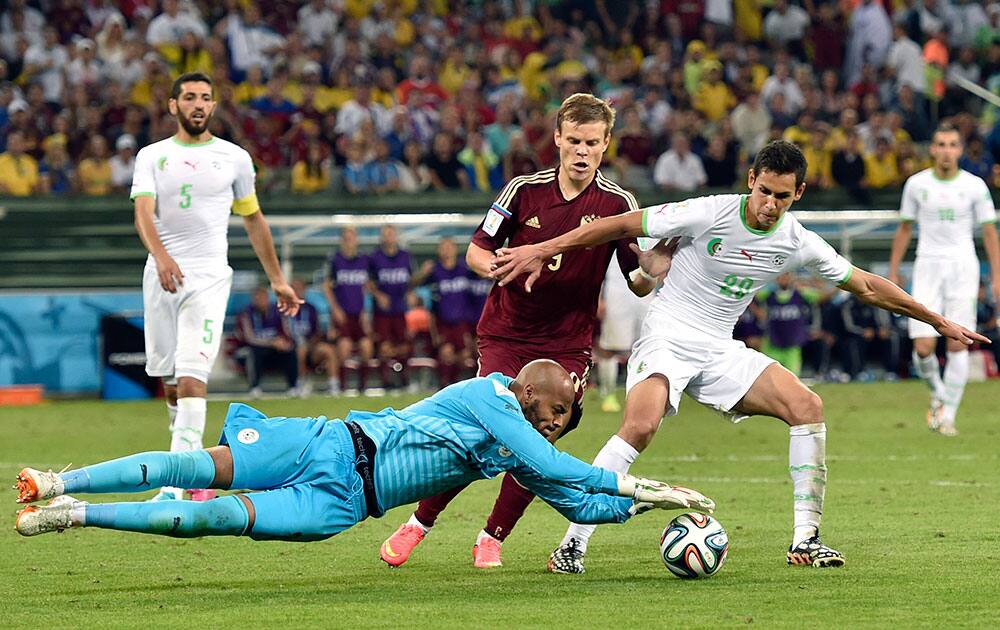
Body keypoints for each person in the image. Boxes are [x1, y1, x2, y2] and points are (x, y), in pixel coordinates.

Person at [491, 140, 988, 573]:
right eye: (764, 191)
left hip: (719, 347)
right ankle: (571, 545)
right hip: (667, 334)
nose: (770, 205)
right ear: (751, 181)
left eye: (782, 196)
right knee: (640, 427)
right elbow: (619, 223)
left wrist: (936, 320)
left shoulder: (797, 242)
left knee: (807, 407)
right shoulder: (708, 212)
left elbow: (866, 285)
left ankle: (806, 541)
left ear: (799, 195)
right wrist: (542, 248)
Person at [379, 93, 661, 570]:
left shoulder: (618, 204)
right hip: (508, 333)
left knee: (539, 439)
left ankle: (492, 536)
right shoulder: (522, 191)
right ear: (557, 139)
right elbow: (476, 249)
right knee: (482, 431)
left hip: (567, 343)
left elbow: (636, 280)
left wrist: (656, 268)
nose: (581, 151)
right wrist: (499, 268)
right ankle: (419, 523)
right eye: (573, 140)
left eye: (592, 142)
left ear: (606, 143)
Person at [14, 361, 715, 543]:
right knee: (197, 466)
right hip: (327, 440)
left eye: (567, 415)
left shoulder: (519, 445)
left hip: (344, 501)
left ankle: (73, 515)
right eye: (559, 407)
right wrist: (638, 484)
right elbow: (567, 470)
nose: (562, 422)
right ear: (529, 391)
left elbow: (571, 494)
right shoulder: (487, 397)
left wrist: (649, 508)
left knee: (209, 519)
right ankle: (57, 479)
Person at [131, 71, 300, 502]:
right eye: (189, 97)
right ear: (173, 106)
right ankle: (190, 464)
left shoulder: (235, 158)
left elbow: (253, 218)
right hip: (161, 277)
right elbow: (144, 215)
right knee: (169, 381)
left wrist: (277, 279)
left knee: (191, 378)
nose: (198, 104)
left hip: (207, 278)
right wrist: (163, 258)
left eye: (205, 98)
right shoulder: (152, 156)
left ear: (213, 105)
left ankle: (177, 484)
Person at [888, 123, 1000, 436]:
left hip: (963, 267)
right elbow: (905, 228)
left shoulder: (975, 186)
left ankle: (948, 414)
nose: (946, 150)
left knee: (957, 342)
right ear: (933, 149)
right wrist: (894, 268)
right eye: (941, 144)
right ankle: (939, 394)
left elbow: (990, 232)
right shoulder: (916, 184)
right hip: (927, 266)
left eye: (952, 144)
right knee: (923, 346)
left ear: (960, 150)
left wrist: (997, 276)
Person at [596, 254, 655, 413]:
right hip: (617, 290)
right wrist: (599, 296)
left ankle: (647, 397)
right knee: (611, 348)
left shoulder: (655, 230)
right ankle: (608, 394)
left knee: (650, 346)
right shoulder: (613, 230)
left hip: (648, 288)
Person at [412, 237, 471, 387]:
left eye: (449, 247)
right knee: (446, 353)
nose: (447, 250)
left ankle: (457, 385)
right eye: (443, 247)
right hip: (441, 320)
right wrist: (422, 273)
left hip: (461, 320)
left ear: (455, 250)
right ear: (438, 251)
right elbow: (412, 284)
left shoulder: (464, 269)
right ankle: (444, 385)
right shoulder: (434, 271)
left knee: (464, 355)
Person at [323, 227, 375, 395]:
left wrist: (365, 311)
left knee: (366, 347)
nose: (349, 241)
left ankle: (363, 386)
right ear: (341, 240)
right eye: (346, 238)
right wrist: (335, 309)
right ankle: (342, 386)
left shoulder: (364, 260)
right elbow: (326, 287)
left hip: (358, 313)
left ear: (356, 240)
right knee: (343, 348)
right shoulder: (335, 260)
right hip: (343, 313)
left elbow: (367, 287)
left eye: (351, 238)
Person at [367, 225, 413, 391]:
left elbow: (409, 280)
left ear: (396, 236)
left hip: (400, 310)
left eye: (391, 234)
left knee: (405, 345)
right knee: (384, 347)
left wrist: (410, 293)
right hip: (382, 312)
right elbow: (368, 281)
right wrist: (378, 295)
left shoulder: (405, 256)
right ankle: (385, 381)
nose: (389, 237)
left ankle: (404, 379)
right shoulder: (375, 257)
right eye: (385, 234)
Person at [235, 287, 299, 398]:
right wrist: (271, 342)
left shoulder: (278, 312)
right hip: (250, 348)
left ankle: (293, 387)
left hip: (275, 348)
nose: (261, 300)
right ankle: (254, 387)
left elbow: (287, 332)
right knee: (254, 353)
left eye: (263, 297)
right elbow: (249, 338)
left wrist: (284, 342)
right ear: (253, 299)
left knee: (290, 350)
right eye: (258, 298)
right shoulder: (246, 314)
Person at [288, 279, 339, 396]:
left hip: (310, 345)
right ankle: (300, 384)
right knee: (300, 350)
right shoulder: (283, 309)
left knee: (328, 350)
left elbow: (317, 332)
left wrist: (311, 343)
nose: (297, 292)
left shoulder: (311, 309)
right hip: (291, 348)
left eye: (300, 289)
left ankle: (334, 385)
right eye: (294, 289)